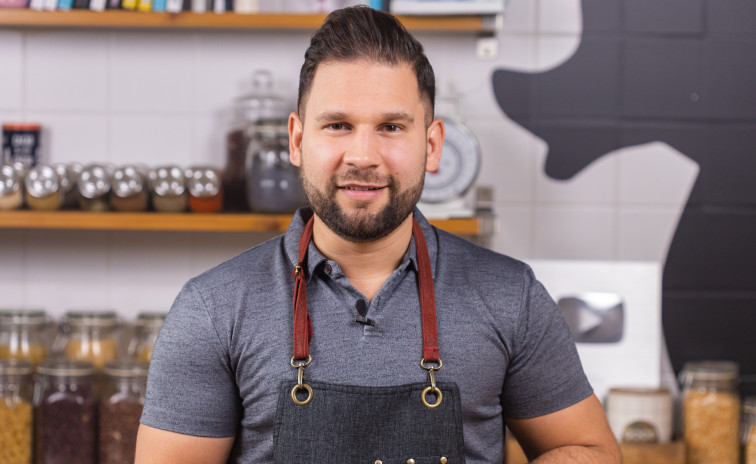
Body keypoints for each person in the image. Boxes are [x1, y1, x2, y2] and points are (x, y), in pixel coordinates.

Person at [135, 6, 620, 464]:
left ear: (432, 145)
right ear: (298, 141)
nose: (363, 156)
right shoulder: (212, 310)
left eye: (390, 126)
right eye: (338, 125)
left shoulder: (512, 297)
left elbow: (590, 450)